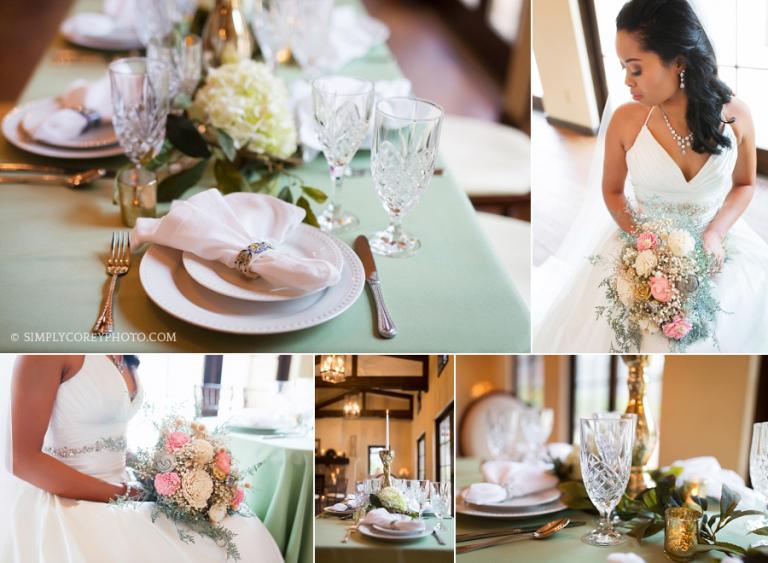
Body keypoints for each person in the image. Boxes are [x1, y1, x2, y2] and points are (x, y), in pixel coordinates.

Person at [534, 0, 768, 352]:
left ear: (678, 62)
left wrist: (716, 232)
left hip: (715, 249)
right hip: (642, 247)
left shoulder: (737, 116)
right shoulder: (626, 121)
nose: (627, 81)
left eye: (636, 69)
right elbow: (612, 192)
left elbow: (746, 184)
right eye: (623, 68)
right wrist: (645, 242)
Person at [0, 355, 284, 563]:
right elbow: (21, 460)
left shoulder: (124, 352)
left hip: (127, 484)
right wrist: (122, 494)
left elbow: (106, 440)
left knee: (239, 528)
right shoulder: (44, 351)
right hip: (69, 500)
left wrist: (166, 468)